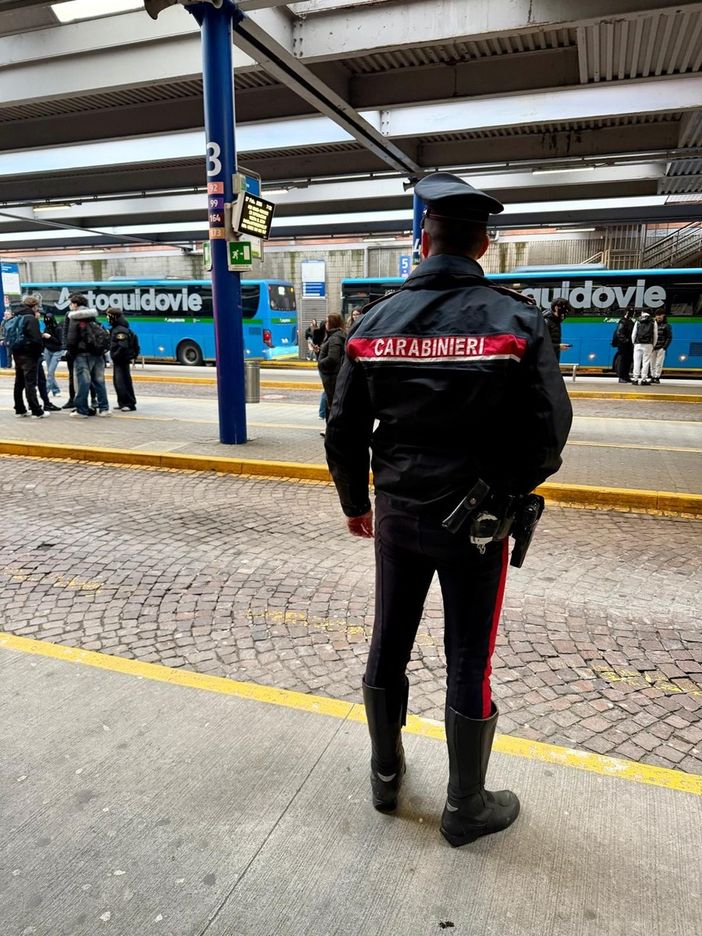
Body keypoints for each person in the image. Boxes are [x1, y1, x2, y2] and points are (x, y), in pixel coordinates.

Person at [325, 172, 572, 847]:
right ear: (483, 245)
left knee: (388, 643)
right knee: (470, 657)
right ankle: (465, 806)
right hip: (478, 523)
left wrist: (356, 502)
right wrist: (506, 491)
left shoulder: (373, 321)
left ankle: (384, 776)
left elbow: (342, 427)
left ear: (421, 241)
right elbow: (550, 430)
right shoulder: (517, 319)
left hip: (398, 517)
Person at [65, 294, 110, 418]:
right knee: (99, 381)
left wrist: (71, 352)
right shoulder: (93, 316)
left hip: (82, 354)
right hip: (97, 354)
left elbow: (72, 339)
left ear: (75, 304)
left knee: (83, 382)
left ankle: (82, 410)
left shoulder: (74, 318)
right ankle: (104, 408)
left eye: (71, 303)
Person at [8, 295, 47, 418]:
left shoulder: (16, 316)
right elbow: (36, 339)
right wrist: (39, 351)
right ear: (34, 306)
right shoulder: (31, 318)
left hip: (17, 353)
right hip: (29, 355)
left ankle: (20, 409)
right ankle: (36, 410)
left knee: (19, 382)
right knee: (30, 383)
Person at [316, 312, 346, 437]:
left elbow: (333, 358)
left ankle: (334, 431)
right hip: (331, 376)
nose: (325, 324)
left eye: (327, 321)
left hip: (332, 377)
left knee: (332, 404)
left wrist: (320, 363)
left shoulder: (335, 337)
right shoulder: (335, 336)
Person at [107, 307, 139, 411]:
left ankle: (128, 403)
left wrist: (115, 355)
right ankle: (122, 402)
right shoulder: (117, 328)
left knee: (122, 382)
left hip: (121, 360)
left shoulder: (120, 330)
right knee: (118, 381)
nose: (107, 318)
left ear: (113, 317)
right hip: (119, 360)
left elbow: (122, 346)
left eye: (108, 316)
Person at [631, 309, 658, 386]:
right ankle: (643, 379)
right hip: (648, 344)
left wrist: (634, 343)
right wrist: (654, 344)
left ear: (643, 313)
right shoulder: (653, 321)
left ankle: (635, 379)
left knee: (636, 361)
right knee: (646, 362)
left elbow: (634, 333)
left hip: (638, 344)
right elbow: (655, 334)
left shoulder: (638, 320)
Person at [42, 309, 64, 397]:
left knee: (50, 372)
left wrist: (50, 337)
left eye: (48, 319)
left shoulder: (58, 329)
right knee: (50, 372)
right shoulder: (46, 328)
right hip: (48, 350)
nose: (47, 321)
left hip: (57, 351)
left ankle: (46, 391)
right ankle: (55, 390)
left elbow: (60, 342)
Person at [542, 297, 572, 362]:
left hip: (552, 360)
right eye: (564, 310)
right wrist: (558, 347)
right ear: (556, 308)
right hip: (545, 362)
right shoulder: (546, 322)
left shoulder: (556, 322)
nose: (565, 314)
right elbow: (541, 344)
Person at [612, 308, 634, 383]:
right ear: (627, 312)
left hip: (629, 345)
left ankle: (626, 376)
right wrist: (626, 341)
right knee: (623, 361)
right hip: (624, 345)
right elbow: (619, 333)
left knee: (628, 361)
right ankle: (621, 377)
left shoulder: (630, 321)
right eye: (630, 312)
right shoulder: (623, 321)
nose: (632, 313)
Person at [650, 311, 672, 384]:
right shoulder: (652, 324)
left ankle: (657, 377)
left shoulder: (667, 325)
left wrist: (664, 347)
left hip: (661, 348)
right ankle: (652, 376)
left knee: (659, 363)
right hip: (652, 347)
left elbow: (669, 337)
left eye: (660, 315)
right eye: (657, 315)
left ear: (663, 316)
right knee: (652, 363)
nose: (658, 317)